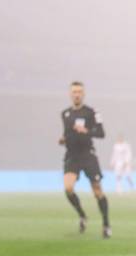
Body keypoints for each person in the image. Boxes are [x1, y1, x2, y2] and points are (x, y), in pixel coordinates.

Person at [58, 81, 111, 238]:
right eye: (74, 92)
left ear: (83, 94)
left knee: (97, 190)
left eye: (79, 92)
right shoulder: (65, 114)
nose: (77, 94)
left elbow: (101, 133)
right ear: (70, 94)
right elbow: (67, 134)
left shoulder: (91, 112)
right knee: (68, 188)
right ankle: (82, 215)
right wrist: (63, 139)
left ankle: (106, 224)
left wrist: (86, 130)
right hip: (72, 155)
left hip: (88, 155)